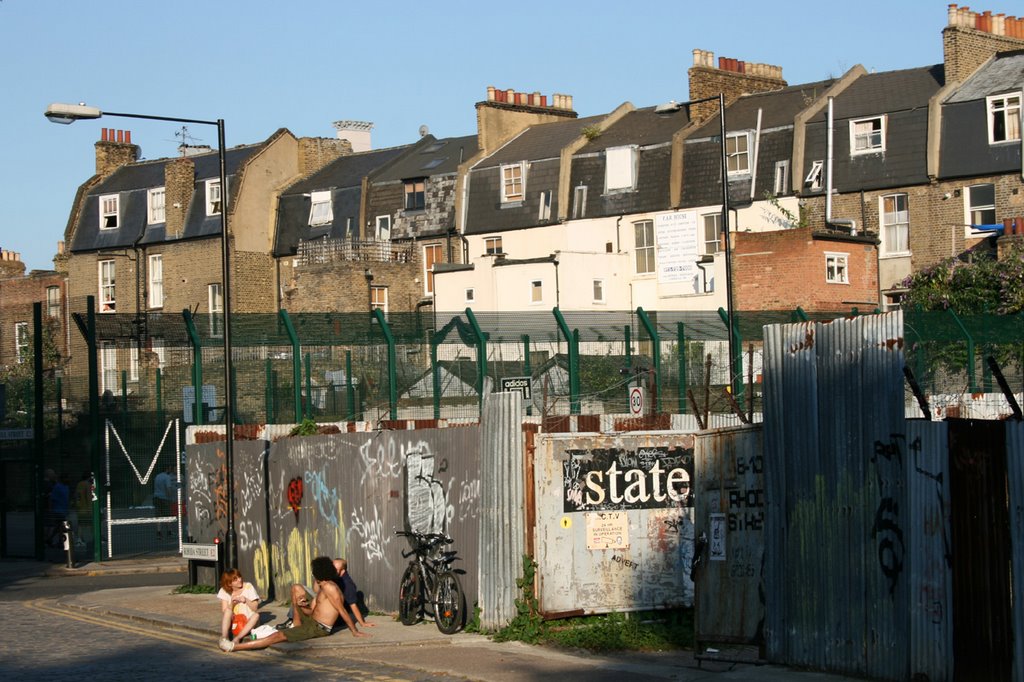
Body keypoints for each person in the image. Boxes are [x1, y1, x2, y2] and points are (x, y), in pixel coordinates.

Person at [221, 556, 370, 652]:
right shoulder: (323, 586)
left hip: (319, 628)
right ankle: (295, 624)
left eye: (314, 573)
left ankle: (234, 647)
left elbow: (342, 611)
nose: (313, 575)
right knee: (296, 588)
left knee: (278, 636)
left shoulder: (330, 588)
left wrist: (354, 631)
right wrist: (302, 605)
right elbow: (312, 612)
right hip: (312, 621)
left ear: (319, 572)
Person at [217, 569, 260, 645]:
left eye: (239, 577)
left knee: (256, 615)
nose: (240, 580)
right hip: (235, 621)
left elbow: (255, 608)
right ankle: (224, 637)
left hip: (248, 621)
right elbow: (224, 610)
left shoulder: (248, 587)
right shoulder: (224, 591)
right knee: (227, 611)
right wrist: (232, 604)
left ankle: (237, 639)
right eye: (235, 579)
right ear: (229, 583)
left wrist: (246, 600)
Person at [333, 558, 374, 628]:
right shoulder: (335, 578)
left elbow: (353, 605)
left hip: (337, 619)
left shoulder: (347, 584)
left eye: (335, 569)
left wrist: (362, 623)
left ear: (342, 570)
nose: (332, 570)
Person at [45, 473, 70, 548]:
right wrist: (51, 509)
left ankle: (51, 539)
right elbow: (51, 498)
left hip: (63, 510)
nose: (67, 480)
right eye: (65, 478)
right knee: (61, 526)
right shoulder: (57, 487)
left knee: (59, 526)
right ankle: (60, 541)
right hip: (58, 510)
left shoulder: (66, 487)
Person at [153, 464, 175, 538]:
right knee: (167, 515)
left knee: (158, 515)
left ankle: (158, 531)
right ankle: (169, 531)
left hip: (156, 497)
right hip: (165, 498)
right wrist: (170, 497)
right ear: (167, 468)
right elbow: (168, 488)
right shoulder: (167, 477)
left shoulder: (157, 476)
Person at [73, 472, 93, 545]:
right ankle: (94, 538)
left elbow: (76, 496)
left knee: (80, 524)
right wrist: (90, 508)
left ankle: (79, 539)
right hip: (86, 508)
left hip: (80, 508)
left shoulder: (79, 484)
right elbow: (88, 497)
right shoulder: (87, 485)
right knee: (92, 524)